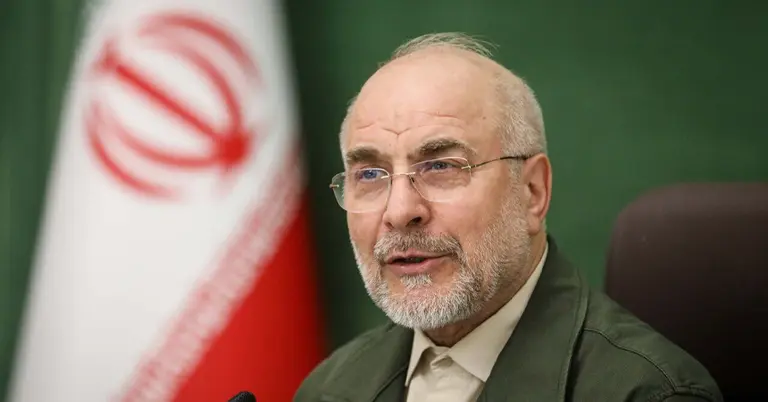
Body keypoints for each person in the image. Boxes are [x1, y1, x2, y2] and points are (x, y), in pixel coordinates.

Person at [294, 33, 722, 402]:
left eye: (441, 166)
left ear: (532, 192)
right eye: (370, 175)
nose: (401, 211)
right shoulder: (328, 389)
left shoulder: (649, 393)